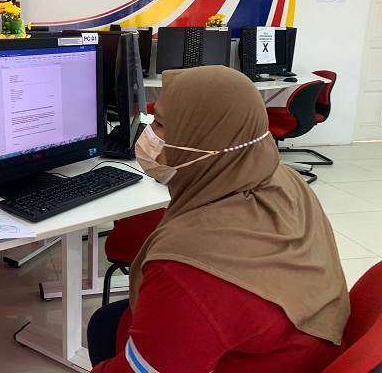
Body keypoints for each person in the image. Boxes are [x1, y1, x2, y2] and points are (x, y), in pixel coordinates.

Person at [87, 66, 350, 372]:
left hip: (248, 357)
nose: (147, 134)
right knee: (105, 323)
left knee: (105, 328)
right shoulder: (285, 178)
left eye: (158, 123)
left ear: (203, 143)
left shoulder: (189, 266)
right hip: (296, 345)